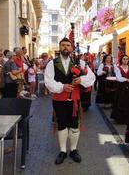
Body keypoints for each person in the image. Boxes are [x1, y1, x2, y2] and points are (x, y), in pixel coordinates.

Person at [44, 37, 95, 165]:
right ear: (59, 47)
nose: (65, 47)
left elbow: (91, 77)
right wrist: (62, 86)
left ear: (71, 48)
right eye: (63, 45)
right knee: (61, 125)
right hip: (59, 100)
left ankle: (73, 150)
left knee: (74, 126)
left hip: (74, 101)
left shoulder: (79, 63)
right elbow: (48, 81)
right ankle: (62, 151)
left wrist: (81, 80)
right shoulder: (52, 63)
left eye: (68, 45)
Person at [111, 55, 129, 124]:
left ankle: (128, 118)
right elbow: (119, 78)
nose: (125, 60)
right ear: (121, 60)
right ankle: (120, 119)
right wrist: (127, 79)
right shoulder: (118, 68)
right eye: (124, 59)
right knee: (120, 102)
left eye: (126, 59)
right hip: (121, 87)